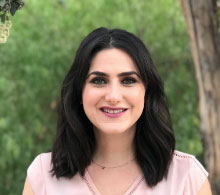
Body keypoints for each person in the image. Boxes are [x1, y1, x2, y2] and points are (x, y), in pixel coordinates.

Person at [23, 27, 212, 195]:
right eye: (99, 80)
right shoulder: (43, 175)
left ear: (146, 92)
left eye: (128, 80)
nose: (113, 96)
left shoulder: (187, 177)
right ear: (80, 92)